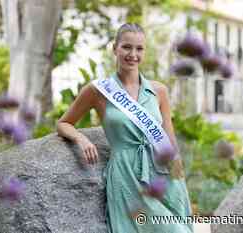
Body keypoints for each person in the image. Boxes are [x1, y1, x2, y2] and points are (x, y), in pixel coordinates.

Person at [57, 23, 194, 233]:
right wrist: (81, 139)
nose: (133, 54)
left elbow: (169, 140)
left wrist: (178, 181)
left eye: (139, 48)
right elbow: (63, 123)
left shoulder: (159, 91)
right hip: (126, 175)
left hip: (161, 171)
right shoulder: (98, 91)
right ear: (115, 48)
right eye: (126, 47)